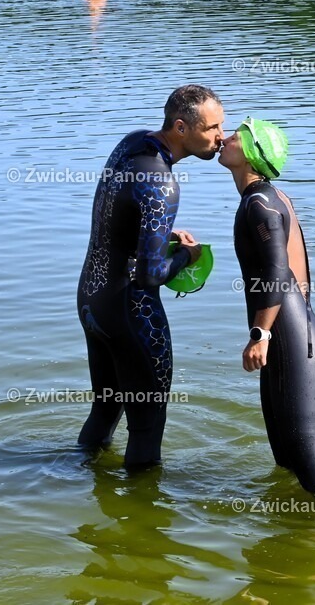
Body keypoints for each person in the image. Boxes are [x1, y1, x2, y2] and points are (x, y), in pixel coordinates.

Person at [77, 85, 224, 467]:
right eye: (212, 128)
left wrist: (157, 235)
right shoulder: (163, 186)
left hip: (93, 300)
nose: (220, 138)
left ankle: (75, 475)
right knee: (147, 426)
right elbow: (150, 275)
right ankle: (143, 516)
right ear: (181, 127)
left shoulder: (133, 143)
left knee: (105, 408)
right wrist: (188, 256)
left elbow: (117, 216)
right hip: (132, 313)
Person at [218, 117, 315, 498]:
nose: (225, 139)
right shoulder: (268, 198)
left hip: (293, 344)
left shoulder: (260, 204)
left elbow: (276, 270)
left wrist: (259, 335)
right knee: (285, 459)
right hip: (289, 341)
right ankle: (297, 538)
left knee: (308, 457)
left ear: (253, 153)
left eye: (236, 137)